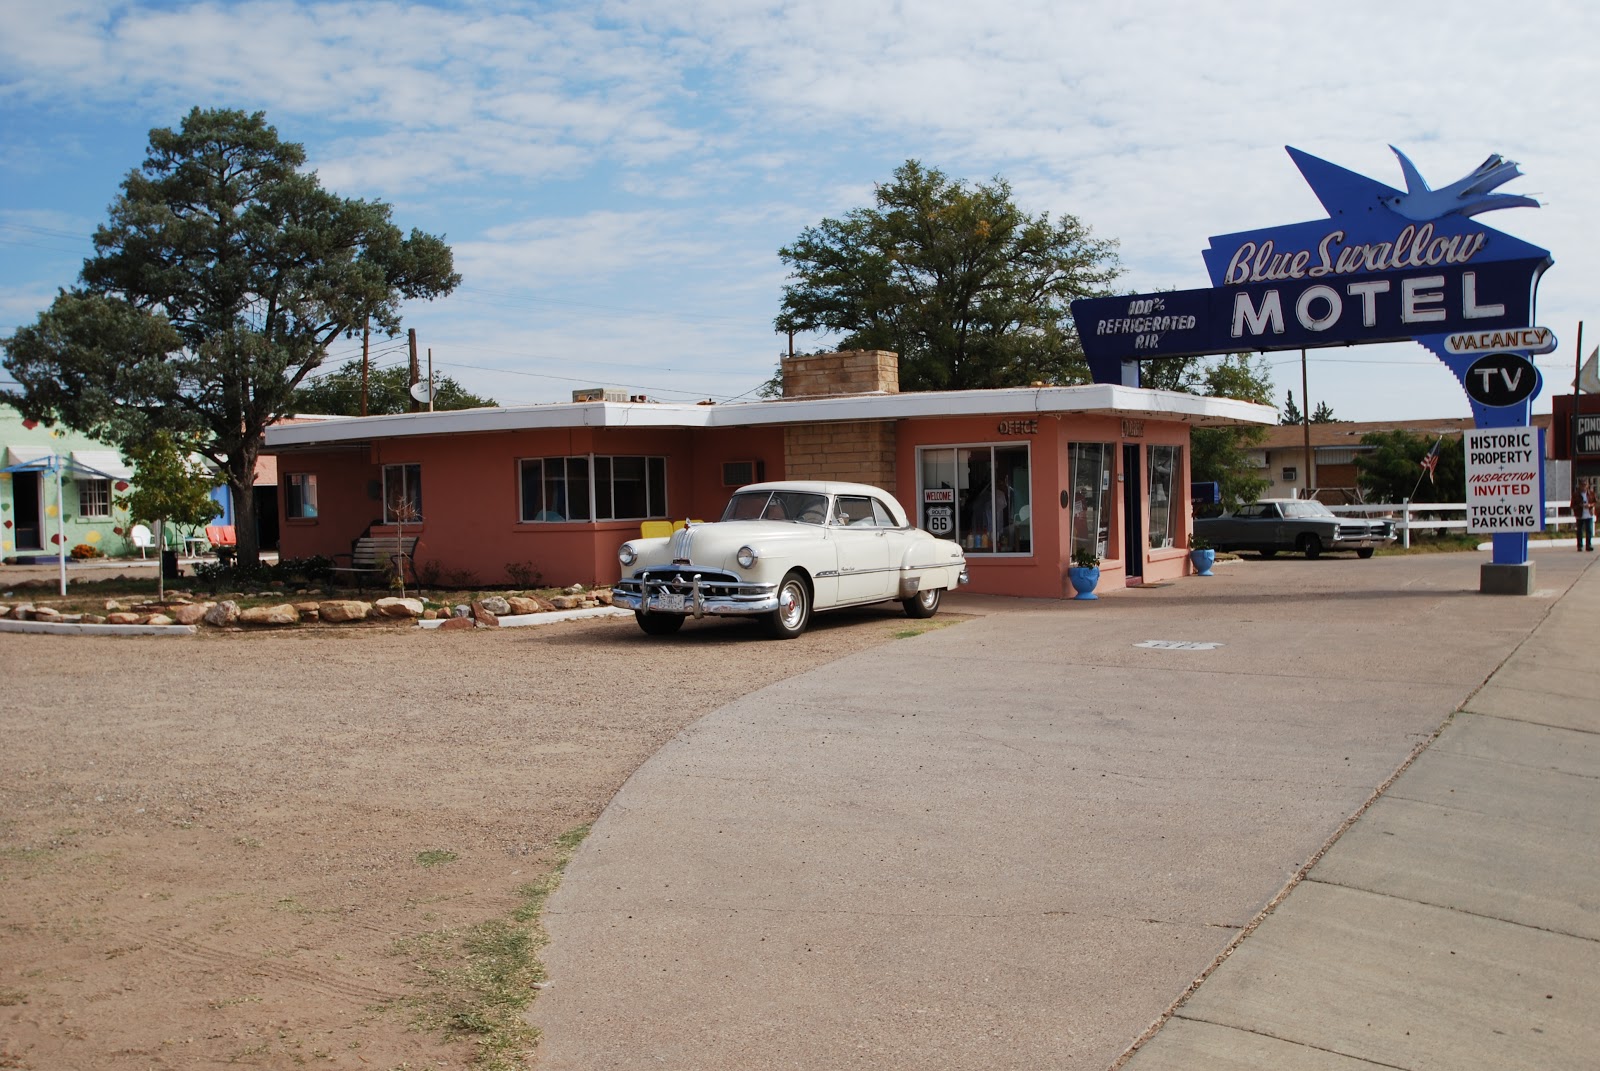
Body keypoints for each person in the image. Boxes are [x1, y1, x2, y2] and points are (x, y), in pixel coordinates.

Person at [1574, 479, 1597, 552]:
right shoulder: (1576, 494)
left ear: (1587, 486)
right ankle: (1580, 546)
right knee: (1579, 531)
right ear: (1579, 486)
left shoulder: (1591, 493)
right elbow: (1572, 505)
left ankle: (1588, 545)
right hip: (1580, 515)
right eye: (1582, 485)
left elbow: (1595, 502)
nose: (1584, 487)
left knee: (1589, 530)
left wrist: (1590, 505)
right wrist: (1580, 505)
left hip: (1589, 515)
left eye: (1585, 485)